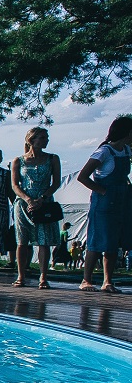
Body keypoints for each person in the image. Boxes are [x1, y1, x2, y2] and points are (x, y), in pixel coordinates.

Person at [76, 116, 132, 293]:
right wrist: (102, 191)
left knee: (113, 241)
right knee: (97, 239)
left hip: (121, 200)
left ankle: (108, 281)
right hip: (104, 203)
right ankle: (86, 279)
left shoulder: (126, 150)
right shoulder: (104, 151)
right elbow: (82, 176)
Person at [11, 127, 61, 289]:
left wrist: (42, 198)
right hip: (23, 203)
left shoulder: (52, 159)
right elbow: (15, 185)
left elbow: (56, 182)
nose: (46, 140)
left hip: (44, 201)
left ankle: (43, 277)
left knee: (43, 240)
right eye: (42, 138)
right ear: (32, 140)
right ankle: (21, 275)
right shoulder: (19, 161)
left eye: (46, 137)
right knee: (22, 241)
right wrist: (28, 199)